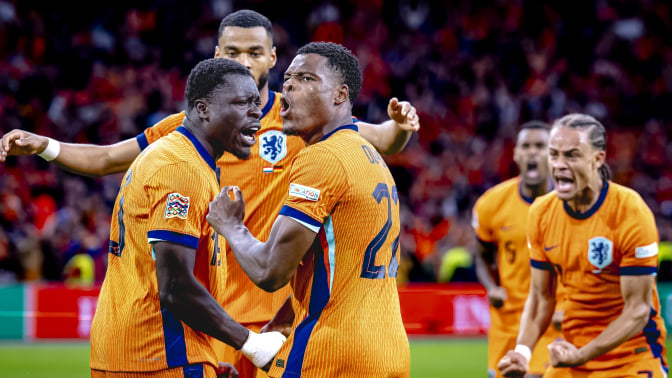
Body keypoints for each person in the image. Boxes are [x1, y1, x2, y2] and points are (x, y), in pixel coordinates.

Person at [0, 9, 419, 378]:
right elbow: (110, 156)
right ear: (217, 56)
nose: (245, 61)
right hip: (211, 311)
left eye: (255, 52)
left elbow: (379, 137)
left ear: (272, 58)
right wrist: (47, 146)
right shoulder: (190, 128)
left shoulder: (301, 122)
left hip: (275, 313)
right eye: (234, 52)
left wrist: (400, 125)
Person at [207, 41, 410, 377]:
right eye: (287, 78)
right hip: (387, 349)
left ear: (340, 95)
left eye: (305, 79)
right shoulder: (367, 153)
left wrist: (231, 226)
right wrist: (285, 318)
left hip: (331, 353)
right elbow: (340, 261)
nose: (288, 85)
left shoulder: (321, 157)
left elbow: (271, 272)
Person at [90, 58, 287, 377]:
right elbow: (175, 286)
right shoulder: (181, 169)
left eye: (255, 103)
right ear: (203, 108)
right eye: (241, 103)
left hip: (144, 352)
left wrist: (203, 356)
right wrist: (250, 343)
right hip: (160, 356)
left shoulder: (177, 157)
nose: (255, 113)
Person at [497, 113, 668, 378]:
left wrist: (582, 354)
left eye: (572, 155)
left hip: (632, 357)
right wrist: (523, 352)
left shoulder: (631, 212)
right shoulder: (541, 212)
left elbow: (637, 311)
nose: (559, 165)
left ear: (598, 159)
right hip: (573, 355)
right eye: (554, 155)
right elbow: (542, 297)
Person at [472, 121, 563, 378]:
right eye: (526, 146)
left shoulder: (568, 205)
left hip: (550, 319)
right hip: (507, 320)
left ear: (552, 154)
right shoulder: (492, 203)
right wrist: (492, 287)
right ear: (515, 154)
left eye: (540, 146)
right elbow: (481, 257)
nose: (532, 152)